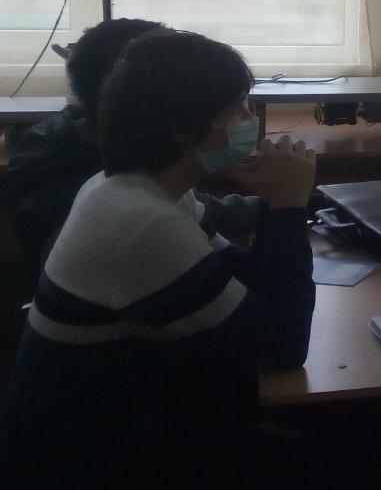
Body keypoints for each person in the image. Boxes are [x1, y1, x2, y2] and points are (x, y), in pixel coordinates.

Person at [0, 30, 381, 490]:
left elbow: (246, 285)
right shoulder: (140, 221)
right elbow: (281, 343)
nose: (249, 121)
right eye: (235, 107)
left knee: (345, 453)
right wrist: (286, 207)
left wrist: (277, 210)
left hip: (113, 446)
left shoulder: (140, 192)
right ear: (182, 128)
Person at [0, 18, 262, 292]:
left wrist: (281, 200)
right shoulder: (94, 181)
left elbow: (199, 212)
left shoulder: (115, 156)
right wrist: (283, 208)